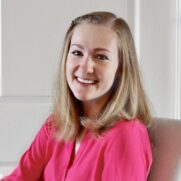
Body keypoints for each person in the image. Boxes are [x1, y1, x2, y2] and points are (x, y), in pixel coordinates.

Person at [2, 11, 152, 181]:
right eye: (77, 53)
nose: (85, 67)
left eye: (101, 57)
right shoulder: (56, 125)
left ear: (121, 69)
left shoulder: (126, 135)